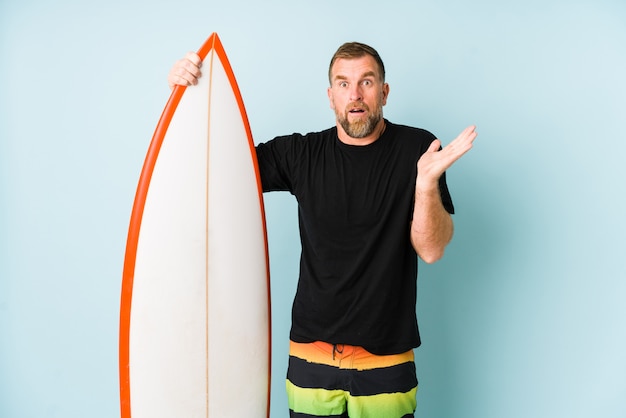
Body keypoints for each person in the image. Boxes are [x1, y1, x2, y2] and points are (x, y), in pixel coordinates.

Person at [168, 41, 476, 418]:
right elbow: (218, 166)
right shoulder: (301, 154)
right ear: (331, 96)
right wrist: (187, 99)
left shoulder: (418, 149)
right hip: (310, 356)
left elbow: (432, 249)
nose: (356, 94)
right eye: (344, 84)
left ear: (384, 91)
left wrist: (426, 184)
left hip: (387, 358)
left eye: (367, 81)